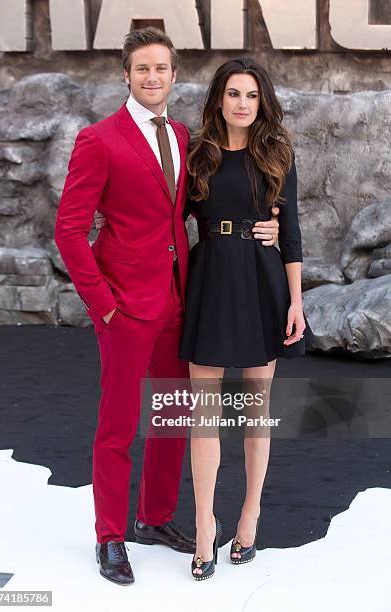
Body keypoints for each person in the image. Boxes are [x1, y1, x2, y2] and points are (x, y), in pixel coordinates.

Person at [61, 27, 280, 585]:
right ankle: (109, 536)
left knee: (174, 415)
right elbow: (69, 231)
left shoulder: (184, 135)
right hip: (125, 307)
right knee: (118, 424)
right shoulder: (99, 139)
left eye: (161, 68)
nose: (152, 77)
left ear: (174, 75)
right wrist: (103, 305)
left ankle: (153, 519)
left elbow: (204, 208)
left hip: (179, 298)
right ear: (127, 76)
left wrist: (268, 225)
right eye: (142, 69)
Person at [179, 57, 311, 581]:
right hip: (211, 280)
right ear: (218, 99)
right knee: (203, 414)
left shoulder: (277, 153)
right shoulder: (198, 156)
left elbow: (293, 232)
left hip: (262, 281)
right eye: (233, 93)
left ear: (262, 102)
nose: (241, 103)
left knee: (257, 409)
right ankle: (204, 525)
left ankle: (250, 514)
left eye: (251, 95)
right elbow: (167, 216)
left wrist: (297, 301)